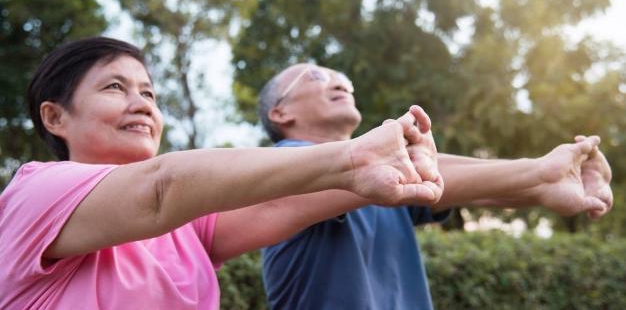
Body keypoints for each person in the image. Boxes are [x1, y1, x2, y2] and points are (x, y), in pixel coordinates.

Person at [0, 37, 444, 310]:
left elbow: (277, 201)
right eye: (115, 87)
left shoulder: (186, 228)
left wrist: (377, 172)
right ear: (55, 118)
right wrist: (351, 158)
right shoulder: (35, 192)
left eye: (149, 93)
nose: (142, 104)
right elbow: (159, 188)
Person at [259, 63, 614, 310]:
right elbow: (422, 173)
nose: (338, 83)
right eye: (316, 77)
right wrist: (538, 174)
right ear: (280, 113)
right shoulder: (284, 166)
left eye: (342, 78)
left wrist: (556, 182)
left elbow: (468, 186)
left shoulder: (384, 176)